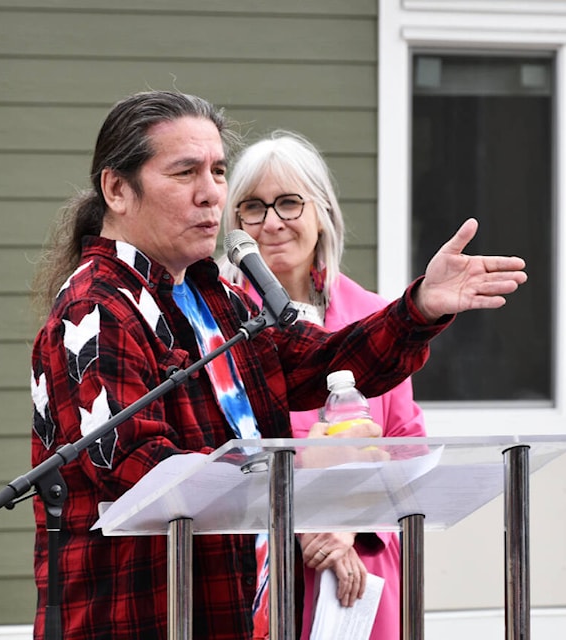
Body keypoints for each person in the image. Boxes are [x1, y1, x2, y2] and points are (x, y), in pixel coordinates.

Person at [28, 89, 527, 640]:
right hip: (146, 619)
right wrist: (299, 475)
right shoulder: (95, 309)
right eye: (185, 172)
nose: (210, 194)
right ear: (118, 189)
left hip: (248, 615)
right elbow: (141, 469)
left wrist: (420, 307)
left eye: (218, 171)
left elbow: (324, 362)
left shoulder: (216, 296)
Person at [218, 130, 427, 639]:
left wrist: (346, 529)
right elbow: (218, 454)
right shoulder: (218, 327)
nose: (272, 223)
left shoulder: (374, 318)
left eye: (289, 203)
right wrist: (309, 527)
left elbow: (407, 448)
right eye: (252, 208)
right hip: (256, 573)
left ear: (322, 213)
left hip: (359, 572)